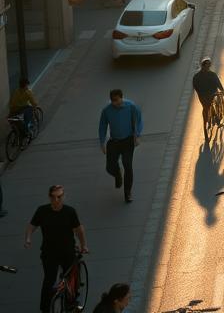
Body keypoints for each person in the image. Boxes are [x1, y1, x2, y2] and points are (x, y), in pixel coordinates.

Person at [25, 185, 88, 313]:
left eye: (59, 197)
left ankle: (71, 301)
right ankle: (45, 308)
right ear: (49, 197)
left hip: (67, 251)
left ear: (63, 196)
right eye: (53, 197)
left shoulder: (70, 212)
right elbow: (32, 226)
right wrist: (28, 238)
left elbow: (79, 230)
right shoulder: (42, 211)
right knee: (49, 280)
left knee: (71, 276)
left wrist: (84, 245)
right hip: (49, 252)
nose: (56, 200)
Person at [98, 90, 143, 204]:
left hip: (128, 141)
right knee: (109, 167)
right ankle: (117, 174)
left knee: (127, 165)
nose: (115, 103)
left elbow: (138, 120)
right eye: (113, 101)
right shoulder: (107, 110)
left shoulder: (131, 106)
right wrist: (102, 142)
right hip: (114, 141)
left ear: (122, 98)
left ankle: (127, 193)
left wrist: (137, 135)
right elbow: (102, 126)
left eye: (117, 100)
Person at [192, 58, 224, 132]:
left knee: (207, 107)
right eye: (207, 65)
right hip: (208, 94)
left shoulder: (198, 76)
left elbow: (195, 86)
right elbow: (218, 83)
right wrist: (222, 91)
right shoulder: (210, 75)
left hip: (204, 95)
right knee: (209, 105)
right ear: (204, 66)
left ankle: (210, 120)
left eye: (209, 65)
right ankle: (212, 119)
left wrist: (200, 93)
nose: (208, 67)